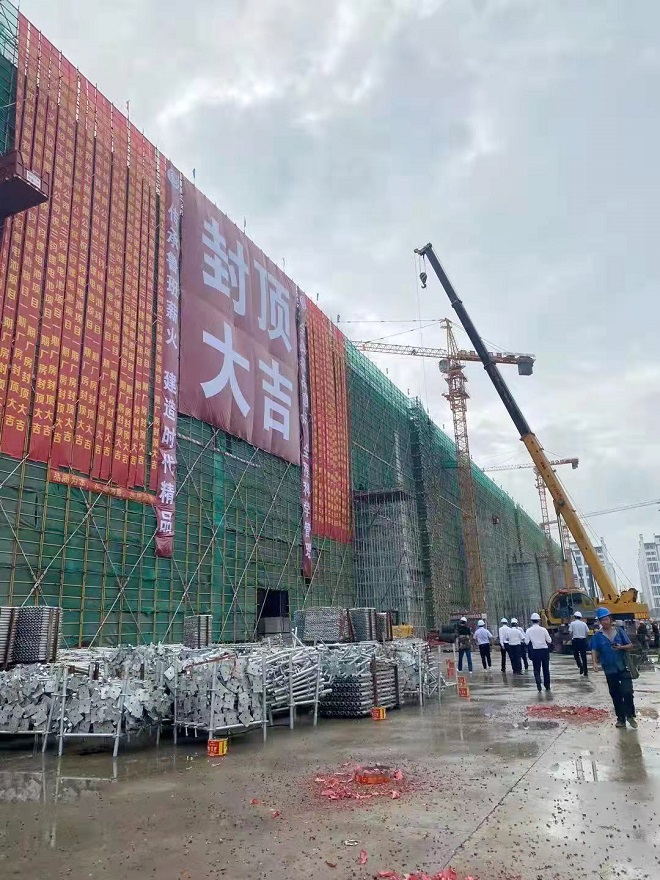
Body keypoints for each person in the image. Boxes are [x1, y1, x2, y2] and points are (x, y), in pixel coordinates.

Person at [591, 607, 637, 729]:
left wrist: (621, 647)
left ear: (610, 619)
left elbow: (630, 645)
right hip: (609, 669)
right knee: (615, 694)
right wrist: (594, 663)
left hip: (623, 666)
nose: (605, 622)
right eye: (602, 620)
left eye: (606, 619)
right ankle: (621, 719)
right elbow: (594, 649)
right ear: (600, 622)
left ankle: (630, 716)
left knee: (627, 692)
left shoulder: (619, 631)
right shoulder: (598, 636)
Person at [526, 612, 552, 692]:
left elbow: (526, 642)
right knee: (546, 669)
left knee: (536, 669)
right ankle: (547, 686)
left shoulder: (528, 630)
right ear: (539, 620)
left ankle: (538, 682)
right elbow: (549, 640)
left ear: (531, 621)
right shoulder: (543, 630)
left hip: (535, 652)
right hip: (544, 651)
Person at [568, 610, 589, 677]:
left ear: (575, 617)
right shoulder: (584, 624)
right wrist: (585, 639)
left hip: (575, 640)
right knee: (584, 656)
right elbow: (587, 632)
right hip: (583, 640)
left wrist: (572, 638)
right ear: (580, 617)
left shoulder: (572, 623)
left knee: (576, 655)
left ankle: (580, 666)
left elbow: (570, 632)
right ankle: (585, 671)